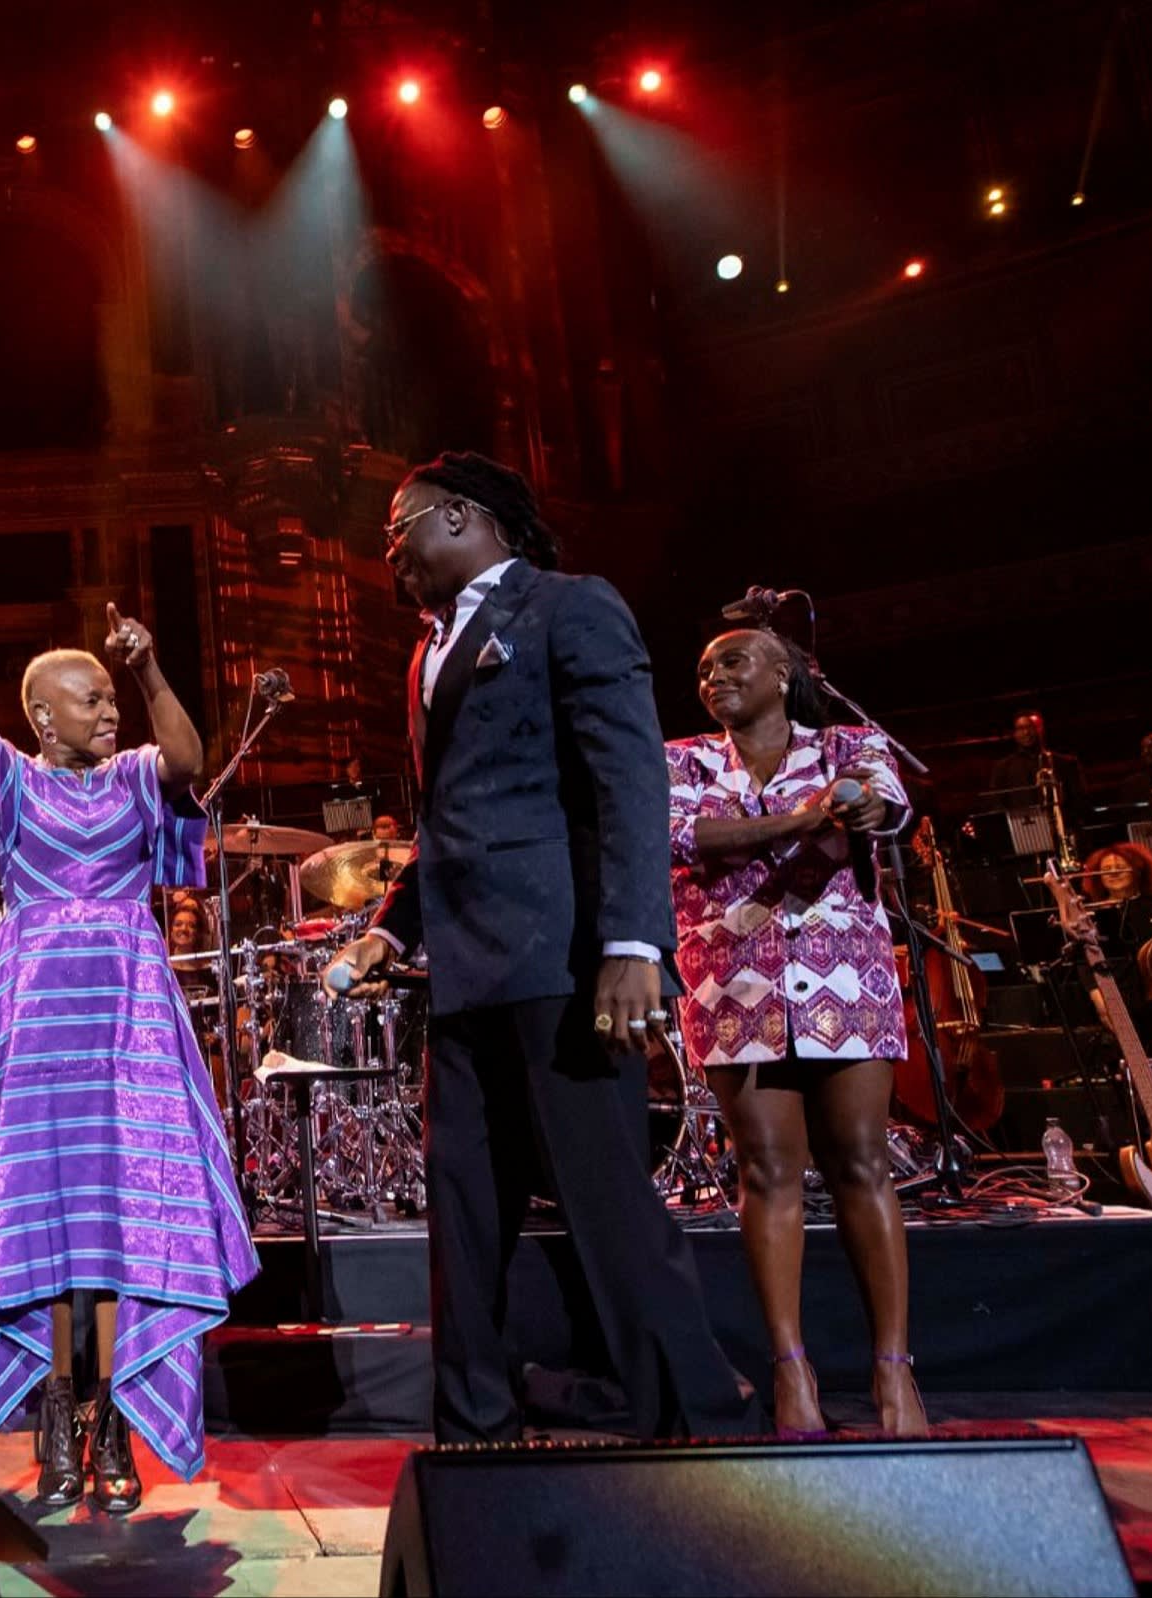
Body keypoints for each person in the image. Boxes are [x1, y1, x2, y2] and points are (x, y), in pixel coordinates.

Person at [326, 452, 762, 1443]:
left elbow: (628, 782)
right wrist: (388, 929)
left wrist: (630, 941)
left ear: (461, 517)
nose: (387, 551)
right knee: (463, 1203)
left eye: (399, 530)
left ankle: (693, 1416)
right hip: (465, 972)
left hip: (562, 959)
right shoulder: (424, 652)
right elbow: (442, 819)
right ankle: (473, 1423)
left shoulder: (569, 606)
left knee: (602, 1195)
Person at [0, 525, 256, 1513]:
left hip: (127, 1023)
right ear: (40, 713)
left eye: (110, 694)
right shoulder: (10, 780)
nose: (107, 708)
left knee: (113, 1230)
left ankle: (111, 1429)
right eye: (91, 694)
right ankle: (58, 1419)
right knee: (43, 1231)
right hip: (31, 1025)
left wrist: (147, 674)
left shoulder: (139, 773)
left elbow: (190, 756)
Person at [666, 627, 925, 1438]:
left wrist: (858, 804)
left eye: (734, 661)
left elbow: (888, 807)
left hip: (846, 982)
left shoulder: (851, 743)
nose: (714, 677)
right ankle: (793, 1374)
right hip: (734, 983)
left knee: (861, 1163)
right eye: (703, 668)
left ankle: (893, 1375)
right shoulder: (680, 762)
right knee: (768, 1172)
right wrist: (803, 820)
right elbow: (682, 837)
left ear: (786, 673)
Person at [987, 711, 1087, 812]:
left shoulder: (1064, 763)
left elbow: (1079, 799)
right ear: (1014, 734)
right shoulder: (1002, 767)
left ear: (1041, 729)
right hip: (1023, 824)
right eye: (1021, 729)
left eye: (1031, 727)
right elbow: (996, 803)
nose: (1026, 733)